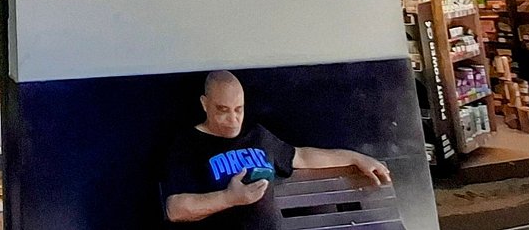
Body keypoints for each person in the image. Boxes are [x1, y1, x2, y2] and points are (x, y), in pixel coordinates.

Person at [161, 71, 390, 227]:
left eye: (239, 109)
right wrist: (229, 198)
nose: (233, 119)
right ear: (205, 104)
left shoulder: (257, 135)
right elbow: (175, 209)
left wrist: (355, 158)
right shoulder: (188, 144)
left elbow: (302, 157)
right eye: (223, 110)